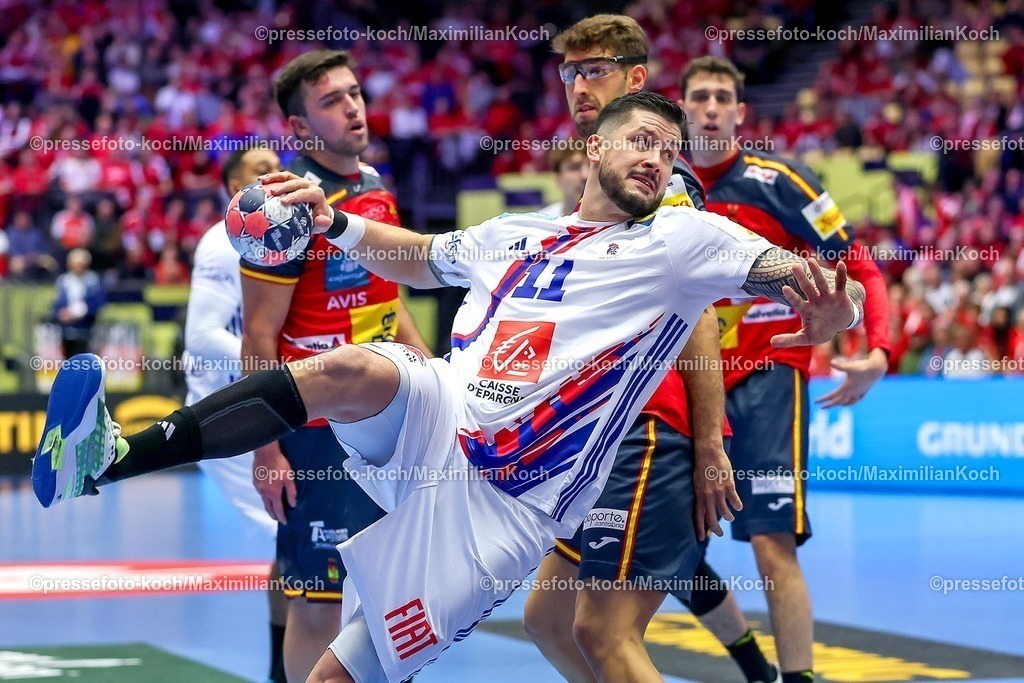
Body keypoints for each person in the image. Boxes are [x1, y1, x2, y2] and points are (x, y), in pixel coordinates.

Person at [33, 92, 865, 683]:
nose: (656, 158)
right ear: (596, 149)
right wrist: (334, 222)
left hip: (500, 509)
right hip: (442, 413)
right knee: (355, 366)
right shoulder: (519, 233)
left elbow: (790, 269)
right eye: (641, 139)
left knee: (334, 676)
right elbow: (422, 258)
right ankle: (103, 458)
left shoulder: (681, 239)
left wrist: (833, 302)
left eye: (669, 150)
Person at [523, 16, 776, 683]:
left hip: (651, 425)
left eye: (594, 69)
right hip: (597, 433)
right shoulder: (594, 183)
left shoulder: (658, 176)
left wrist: (708, 445)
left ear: (636, 77)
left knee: (602, 629)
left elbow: (697, 316)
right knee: (547, 619)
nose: (578, 86)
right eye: (569, 72)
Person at [680, 56, 891, 683]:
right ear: (683, 109)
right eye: (699, 97)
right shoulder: (664, 192)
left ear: (741, 112)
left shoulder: (783, 182)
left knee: (771, 540)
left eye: (723, 97)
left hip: (771, 368)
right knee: (670, 549)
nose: (712, 107)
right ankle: (755, 667)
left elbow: (860, 266)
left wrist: (877, 349)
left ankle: (796, 677)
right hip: (689, 380)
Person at [244, 50, 431, 683]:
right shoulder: (281, 206)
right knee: (320, 606)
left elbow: (388, 298)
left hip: (390, 418)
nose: (352, 106)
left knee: (381, 599)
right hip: (317, 432)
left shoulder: (375, 186)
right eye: (331, 100)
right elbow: (259, 336)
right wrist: (266, 449)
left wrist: (433, 378)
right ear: (299, 128)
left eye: (354, 93)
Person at [182, 145, 288, 683]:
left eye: (277, 167)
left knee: (296, 538)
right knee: (293, 536)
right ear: (232, 189)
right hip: (229, 408)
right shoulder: (224, 240)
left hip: (272, 399)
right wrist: (287, 369)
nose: (272, 176)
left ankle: (285, 666)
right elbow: (200, 338)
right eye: (258, 171)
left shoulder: (284, 233)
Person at [52, 249, 104, 359]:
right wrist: (61, 314)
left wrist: (76, 314)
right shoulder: (64, 281)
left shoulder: (92, 280)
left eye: (82, 265)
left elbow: (96, 303)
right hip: (66, 330)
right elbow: (58, 303)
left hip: (86, 329)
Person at [541, 144, 588, 217]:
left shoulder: (612, 223)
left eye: (593, 167)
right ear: (558, 179)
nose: (585, 175)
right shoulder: (541, 224)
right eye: (574, 167)